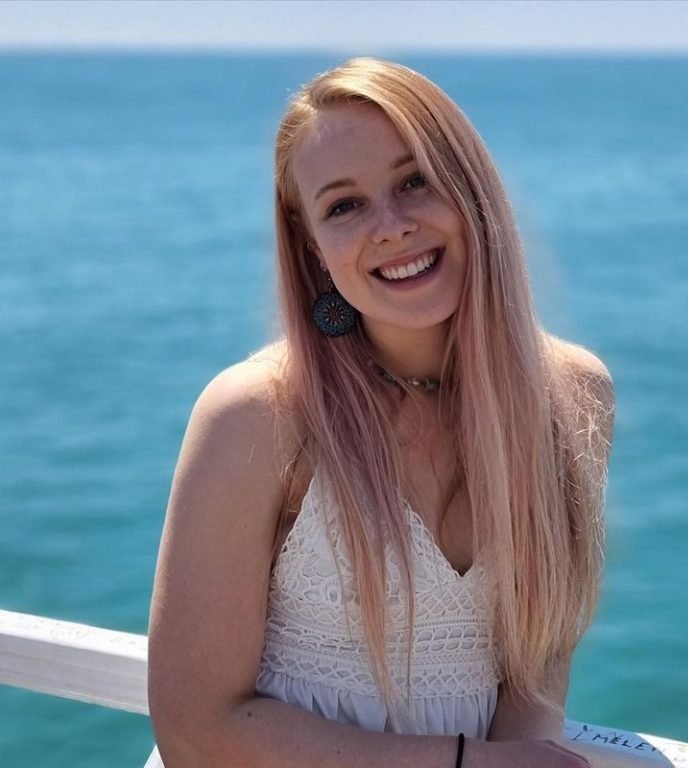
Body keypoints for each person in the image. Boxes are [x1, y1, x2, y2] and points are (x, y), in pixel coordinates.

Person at [148, 57, 615, 768]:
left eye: (414, 181)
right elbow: (195, 729)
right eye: (344, 205)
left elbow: (536, 676)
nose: (391, 227)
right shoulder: (257, 415)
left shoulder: (574, 397)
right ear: (313, 250)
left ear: (471, 187)